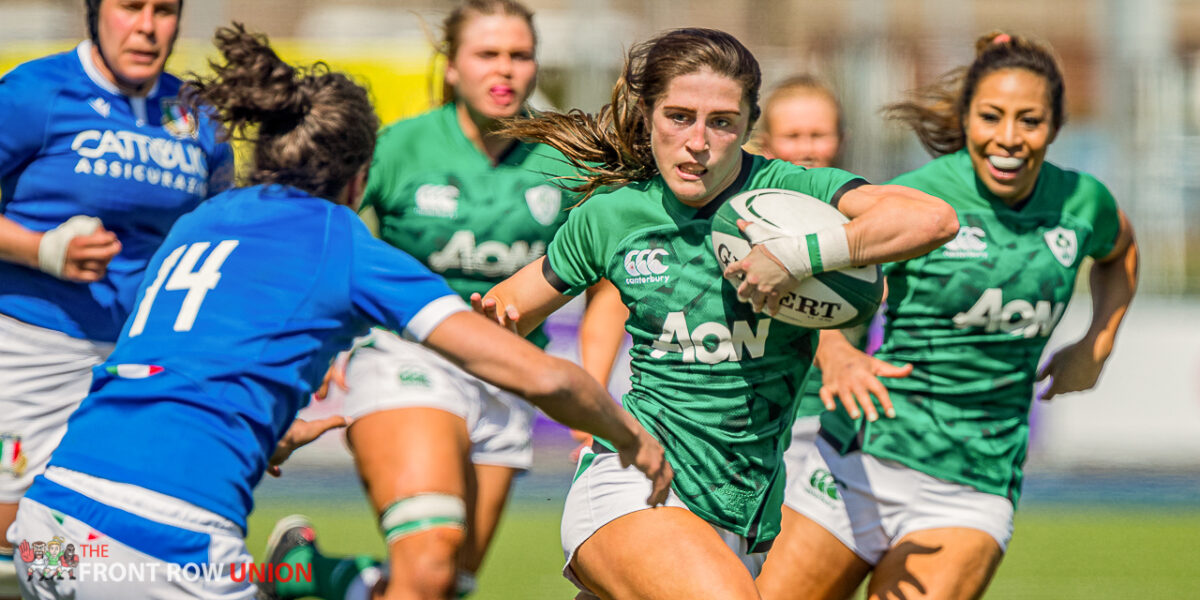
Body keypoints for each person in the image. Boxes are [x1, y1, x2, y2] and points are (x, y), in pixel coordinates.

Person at [5, 23, 670, 600]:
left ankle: (310, 578)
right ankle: (309, 579)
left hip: (49, 529)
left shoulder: (205, 218)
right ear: (359, 178)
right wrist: (631, 434)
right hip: (162, 545)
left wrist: (277, 424)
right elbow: (540, 377)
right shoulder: (340, 241)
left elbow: (195, 359)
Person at [472, 27, 958, 599]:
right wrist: (478, 333)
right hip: (633, 480)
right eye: (678, 116)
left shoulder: (795, 197)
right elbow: (505, 310)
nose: (698, 141)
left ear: (750, 126)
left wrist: (795, 257)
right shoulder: (612, 216)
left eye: (722, 122)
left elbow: (934, 221)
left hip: (742, 511)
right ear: (649, 114)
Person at [258, 2, 629, 599]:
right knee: (429, 564)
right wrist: (312, 346)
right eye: (487, 54)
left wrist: (589, 387)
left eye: (519, 54)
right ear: (452, 67)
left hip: (510, 377)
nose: (504, 70)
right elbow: (321, 235)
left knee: (445, 584)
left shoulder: (566, 161)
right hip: (410, 360)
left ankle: (310, 575)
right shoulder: (401, 147)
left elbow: (608, 275)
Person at [757, 31, 1139, 600]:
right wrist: (836, 353)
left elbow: (1120, 251)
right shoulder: (919, 198)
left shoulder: (1083, 201)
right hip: (859, 456)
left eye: (1029, 121)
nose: (1008, 138)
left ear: (1056, 126)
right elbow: (835, 288)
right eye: (991, 117)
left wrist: (1098, 343)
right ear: (966, 120)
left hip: (971, 487)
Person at [0, 1, 232, 595]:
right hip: (31, 346)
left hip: (142, 361)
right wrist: (40, 249)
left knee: (118, 542)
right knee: (14, 540)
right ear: (94, 12)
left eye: (165, 10)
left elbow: (221, 240)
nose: (147, 26)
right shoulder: (34, 92)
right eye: (131, 7)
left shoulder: (197, 115)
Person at [756, 74, 844, 169]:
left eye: (817, 135)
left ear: (841, 142)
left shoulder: (857, 183)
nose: (805, 149)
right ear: (766, 145)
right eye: (792, 136)